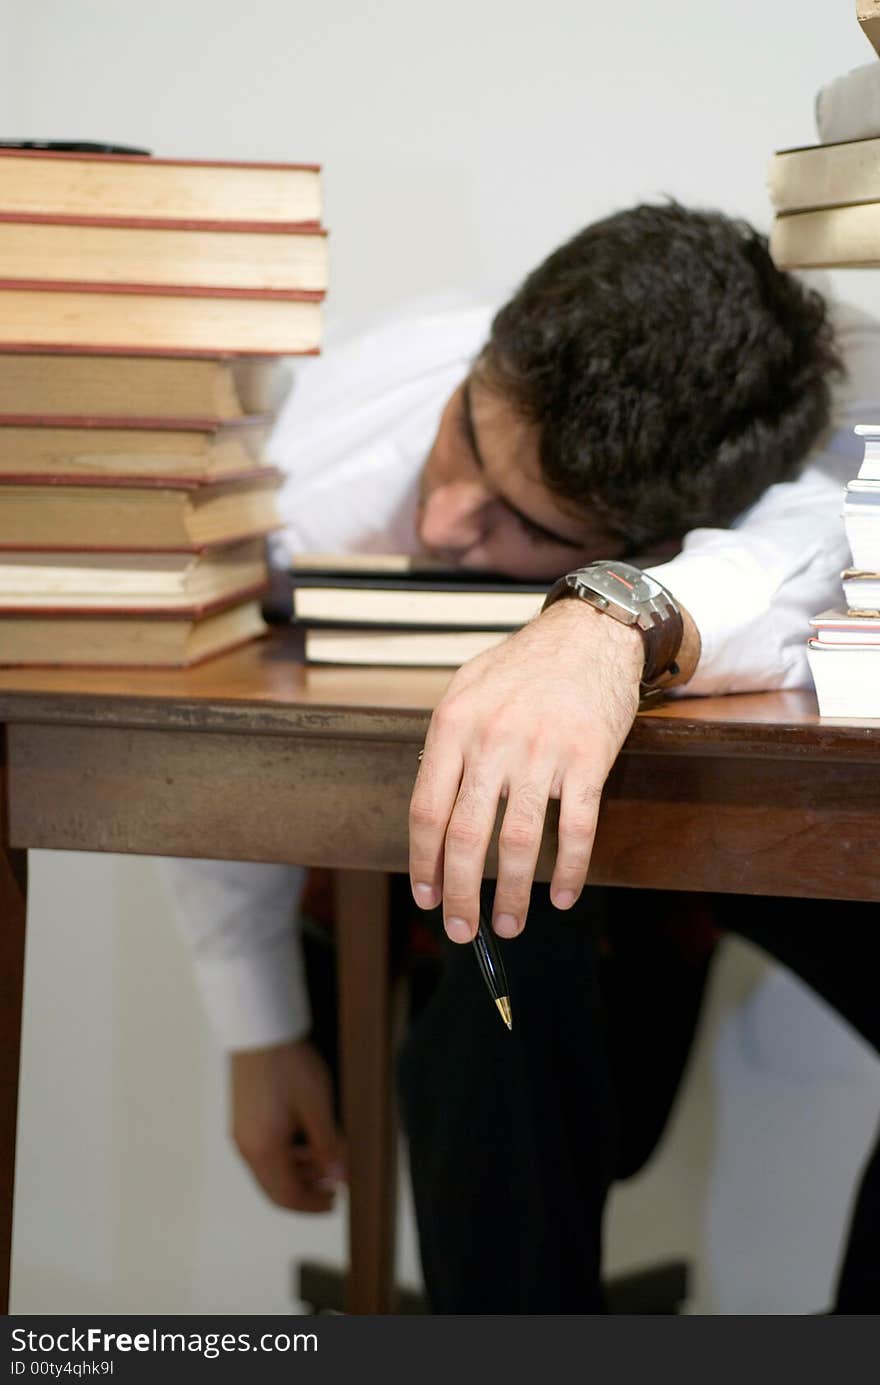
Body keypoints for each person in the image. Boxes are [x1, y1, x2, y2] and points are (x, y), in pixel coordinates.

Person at [162, 202, 876, 1304]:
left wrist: (606, 620)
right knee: (511, 932)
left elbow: (821, 543)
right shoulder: (317, 471)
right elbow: (217, 716)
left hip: (646, 865)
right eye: (463, 437)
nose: (447, 521)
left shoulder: (790, 440)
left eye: (526, 523)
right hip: (387, 864)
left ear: (656, 530)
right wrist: (255, 1029)